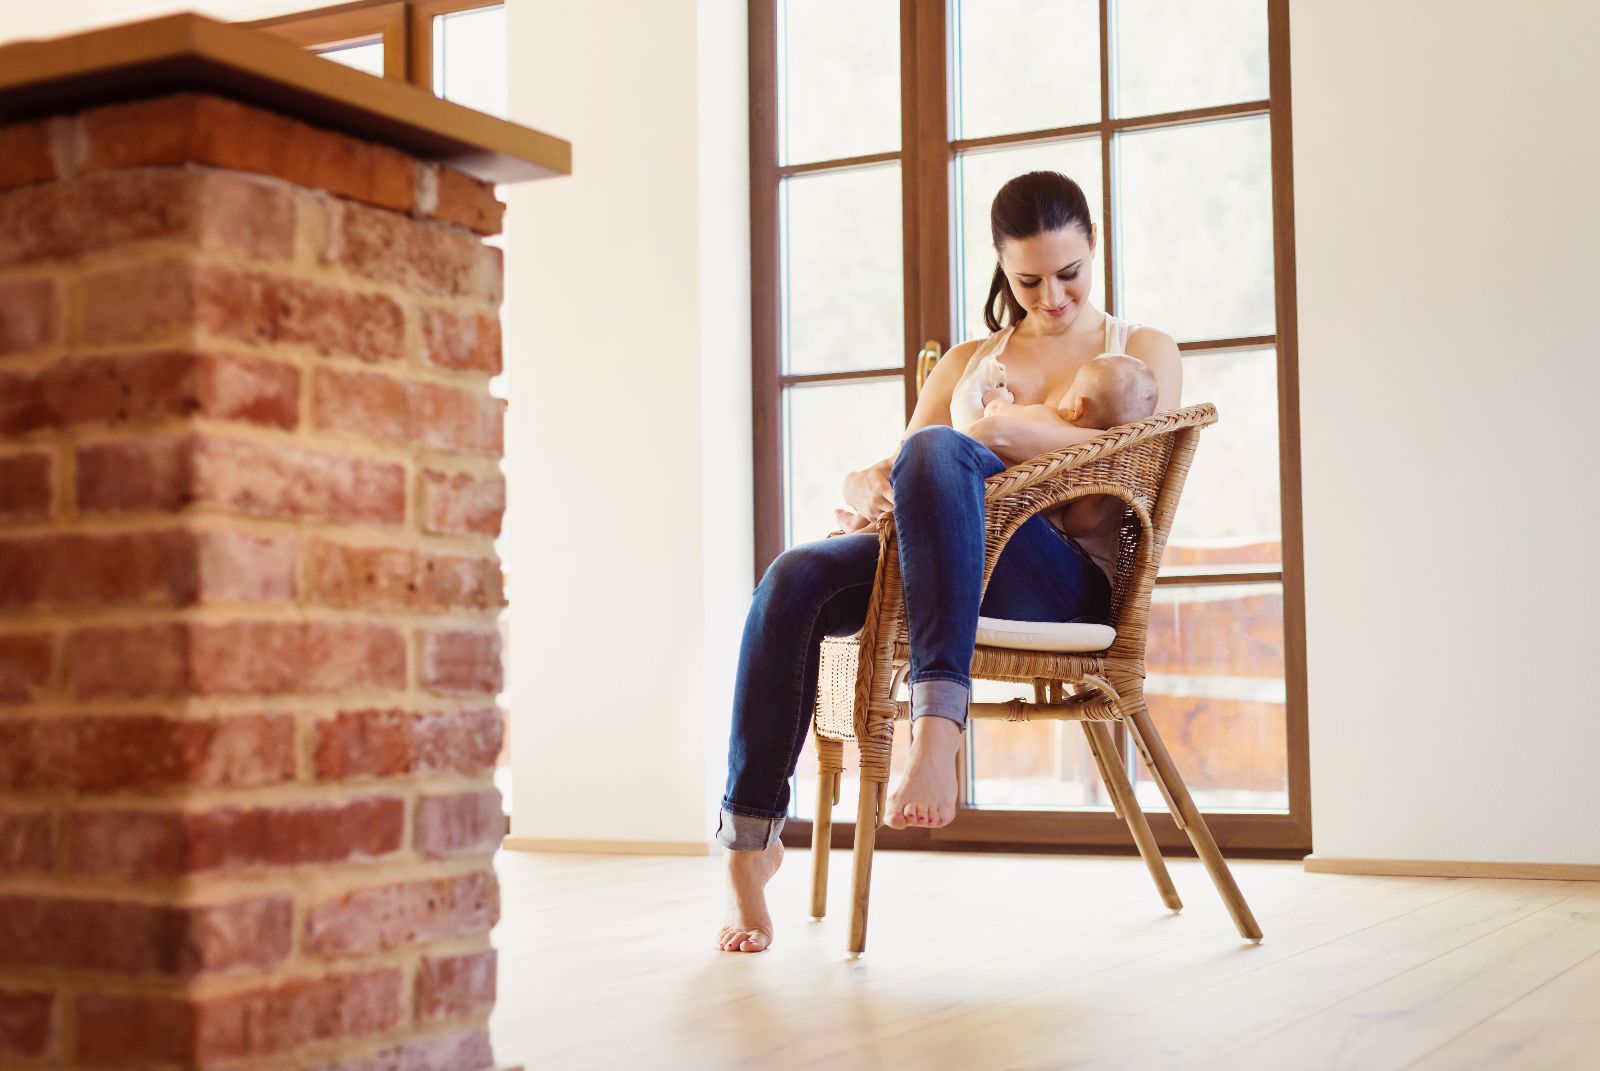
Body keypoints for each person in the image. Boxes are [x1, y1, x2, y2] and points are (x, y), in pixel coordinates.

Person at [715, 170, 1182, 954]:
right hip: (947, 558)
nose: (1053, 297)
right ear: (1001, 266)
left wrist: (1003, 433)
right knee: (795, 574)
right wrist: (863, 479)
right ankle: (750, 839)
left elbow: (1145, 457)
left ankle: (937, 728)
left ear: (1094, 247)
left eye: (1069, 273)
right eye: (1029, 280)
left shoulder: (1139, 350)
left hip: (1060, 582)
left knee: (946, 447)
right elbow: (911, 461)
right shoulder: (971, 360)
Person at [832, 350, 1159, 535]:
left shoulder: (1046, 417)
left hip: (977, 496)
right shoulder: (1098, 462)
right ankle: (861, 528)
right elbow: (1079, 523)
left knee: (903, 501)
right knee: (900, 498)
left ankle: (860, 529)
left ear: (1078, 406)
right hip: (1003, 514)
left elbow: (994, 420)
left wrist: (998, 398)